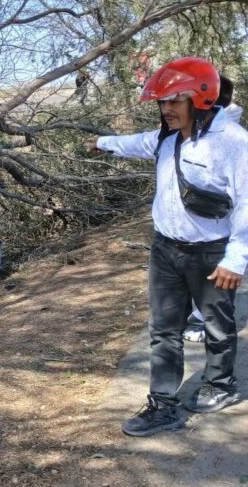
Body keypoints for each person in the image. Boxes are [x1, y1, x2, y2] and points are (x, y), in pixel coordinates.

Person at [87, 57, 247, 437]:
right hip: (166, 250)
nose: (166, 109)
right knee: (163, 329)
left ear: (201, 98)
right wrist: (100, 142)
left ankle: (220, 385)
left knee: (218, 326)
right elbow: (137, 142)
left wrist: (236, 259)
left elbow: (246, 203)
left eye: (175, 100)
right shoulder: (168, 138)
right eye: (162, 102)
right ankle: (163, 405)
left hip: (212, 252)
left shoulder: (234, 144)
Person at [183, 75, 244, 342]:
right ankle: (203, 316)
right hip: (206, 220)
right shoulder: (202, 125)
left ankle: (204, 320)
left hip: (219, 221)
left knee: (216, 272)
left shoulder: (229, 132)